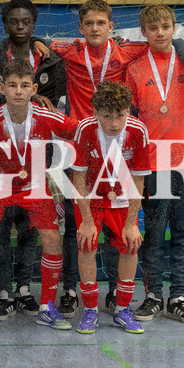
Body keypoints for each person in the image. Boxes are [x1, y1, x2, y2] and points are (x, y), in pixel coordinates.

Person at [48, 0, 184, 318]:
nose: (95, 29)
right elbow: (44, 49)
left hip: (147, 155)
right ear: (81, 28)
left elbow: (170, 44)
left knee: (136, 229)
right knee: (78, 226)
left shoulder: (141, 55)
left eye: (101, 23)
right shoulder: (74, 52)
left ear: (112, 27)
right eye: (89, 23)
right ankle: (72, 288)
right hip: (85, 146)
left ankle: (142, 295)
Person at [0, 59, 79, 331]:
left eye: (25, 85)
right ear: (2, 88)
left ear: (33, 89)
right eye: (13, 86)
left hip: (35, 186)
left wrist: (109, 126)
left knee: (52, 239)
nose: (18, 91)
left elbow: (78, 130)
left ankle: (46, 307)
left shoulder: (46, 115)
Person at [124, 4, 184, 325]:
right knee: (155, 231)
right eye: (153, 28)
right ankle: (152, 295)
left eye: (165, 26)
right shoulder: (134, 70)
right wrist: (134, 168)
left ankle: (179, 297)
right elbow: (130, 125)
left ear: (173, 28)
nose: (159, 33)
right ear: (143, 32)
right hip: (152, 164)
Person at [70, 81, 151, 334]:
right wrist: (86, 219)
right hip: (90, 197)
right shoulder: (85, 129)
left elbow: (138, 179)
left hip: (123, 197)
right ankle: (90, 310)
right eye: (107, 116)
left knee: (130, 244)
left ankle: (123, 309)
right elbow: (79, 178)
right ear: (95, 112)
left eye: (120, 115)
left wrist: (131, 222)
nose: (114, 123)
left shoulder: (138, 131)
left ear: (129, 110)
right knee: (86, 244)